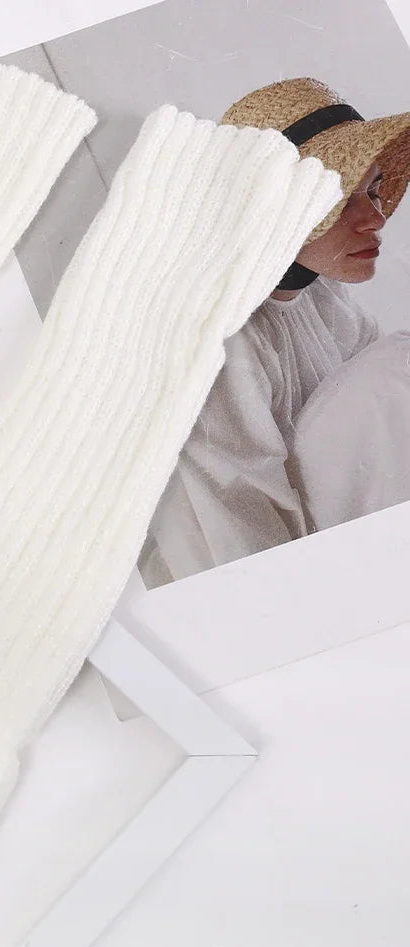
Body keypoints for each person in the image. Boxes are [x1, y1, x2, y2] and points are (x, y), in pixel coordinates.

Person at [137, 78, 410, 588]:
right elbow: (228, 529)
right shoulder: (218, 338)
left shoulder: (325, 301)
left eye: (373, 190)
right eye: (339, 199)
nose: (375, 218)